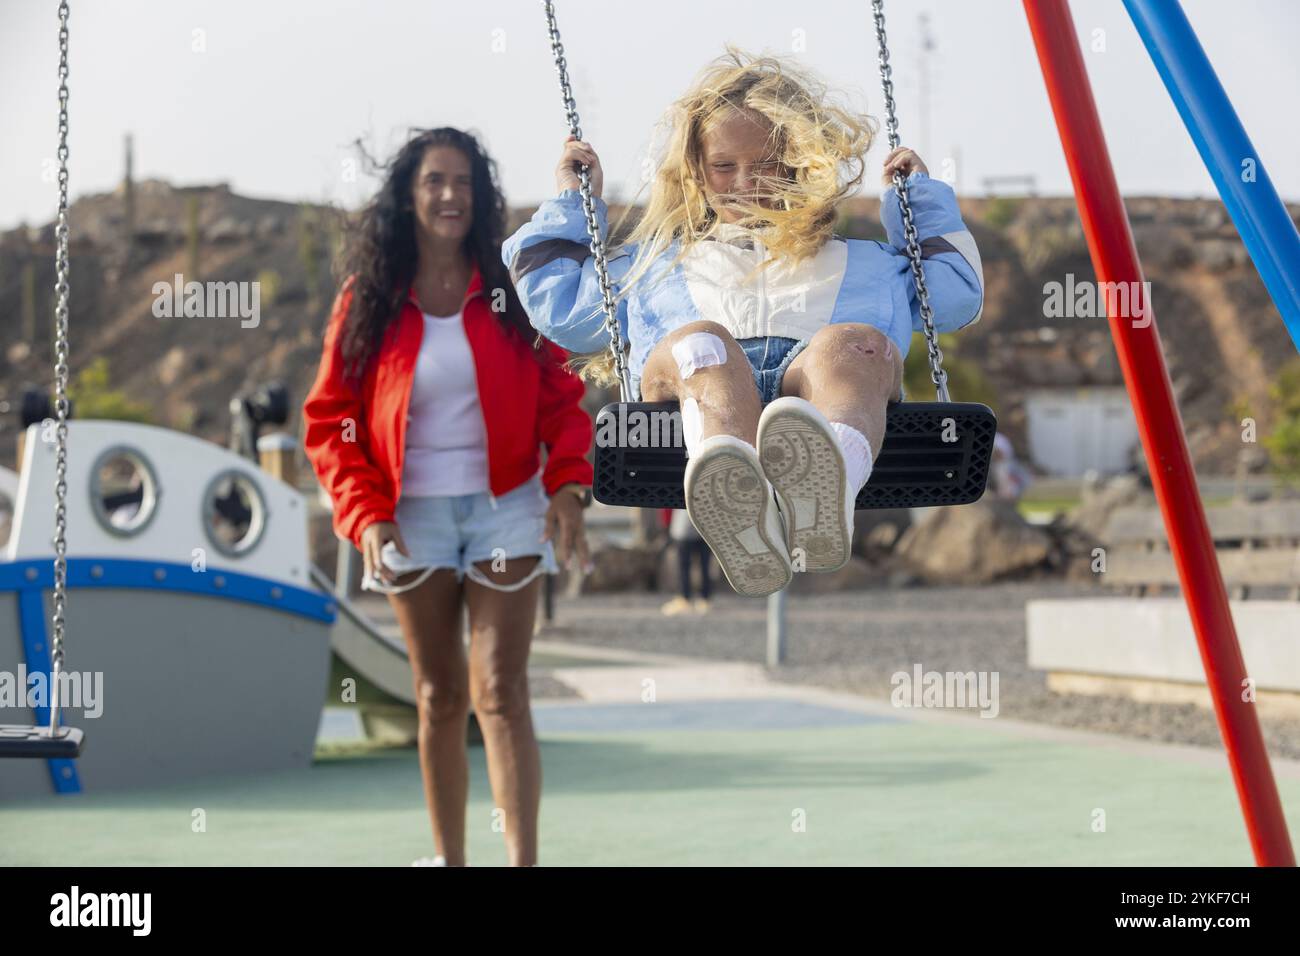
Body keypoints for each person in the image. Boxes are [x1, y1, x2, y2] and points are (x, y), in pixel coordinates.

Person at [504, 48, 983, 598]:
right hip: (692, 390)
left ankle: (830, 491)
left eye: (770, 164)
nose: (747, 183)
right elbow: (558, 304)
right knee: (703, 347)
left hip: (815, 398)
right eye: (724, 166)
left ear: (806, 162)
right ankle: (732, 492)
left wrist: (918, 201)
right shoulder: (653, 267)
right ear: (697, 173)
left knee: (854, 345)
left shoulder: (869, 264)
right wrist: (573, 198)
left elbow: (953, 295)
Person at [302, 127, 595, 867]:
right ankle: (451, 859)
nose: (449, 195)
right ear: (409, 195)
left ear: (481, 195)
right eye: (434, 180)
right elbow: (329, 420)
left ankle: (521, 860)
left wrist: (566, 484)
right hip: (411, 518)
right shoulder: (367, 300)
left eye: (464, 182)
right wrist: (364, 514)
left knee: (500, 691)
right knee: (438, 699)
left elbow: (562, 396)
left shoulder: (510, 289)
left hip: (505, 506)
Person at [660, 507, 713, 615]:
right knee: (704, 565)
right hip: (705, 525)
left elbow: (667, 507)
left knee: (684, 566)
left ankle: (685, 598)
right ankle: (704, 599)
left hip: (685, 527)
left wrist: (666, 524)